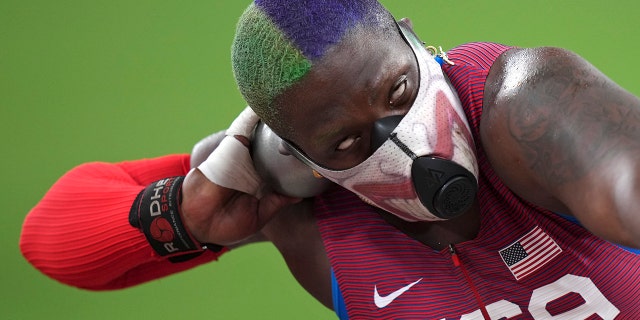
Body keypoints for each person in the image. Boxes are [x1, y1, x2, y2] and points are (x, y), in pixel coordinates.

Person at [19, 0, 640, 318]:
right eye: (346, 143)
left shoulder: (529, 105)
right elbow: (51, 240)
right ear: (295, 157)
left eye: (399, 92)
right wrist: (187, 213)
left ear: (413, 39)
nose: (406, 143)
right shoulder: (295, 206)